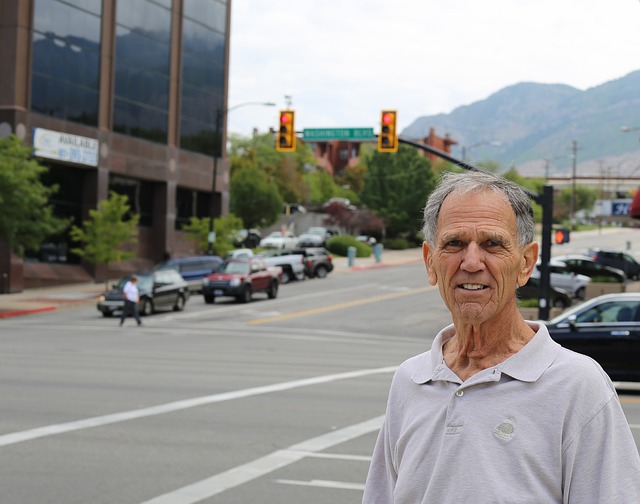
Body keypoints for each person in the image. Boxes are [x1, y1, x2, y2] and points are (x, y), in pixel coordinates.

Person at [363, 171, 640, 503]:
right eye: (454, 243)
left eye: (492, 244)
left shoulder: (578, 385)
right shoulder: (410, 380)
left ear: (526, 263)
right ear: (430, 262)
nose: (471, 262)